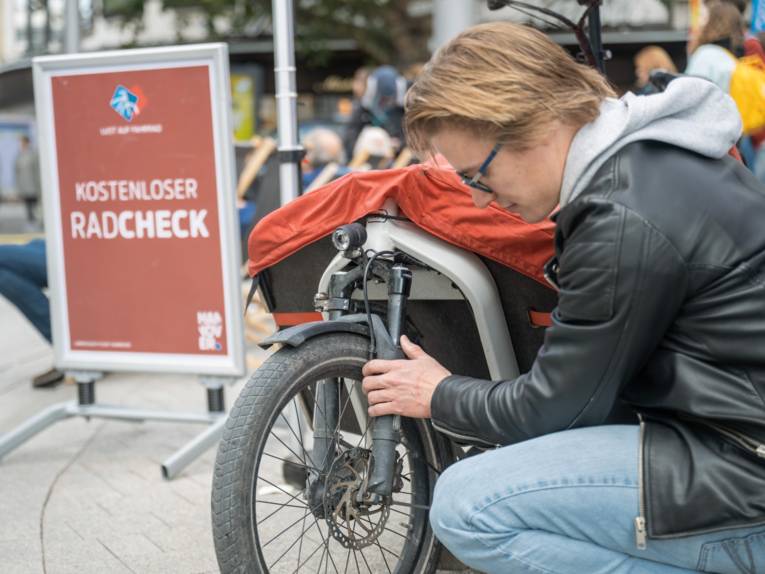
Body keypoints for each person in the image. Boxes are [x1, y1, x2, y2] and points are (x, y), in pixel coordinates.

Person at [361, 21, 765, 573]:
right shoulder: (656, 158)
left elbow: (558, 409)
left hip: (743, 479)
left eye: (479, 176)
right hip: (737, 447)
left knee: (467, 506)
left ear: (537, 121)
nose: (481, 202)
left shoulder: (619, 218)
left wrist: (439, 392)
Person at [0, 240, 64, 387]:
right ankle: (68, 348)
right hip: (56, 241)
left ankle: (69, 351)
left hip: (82, 250)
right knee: (6, 273)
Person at [14, 135, 41, 227]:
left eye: (23, 142)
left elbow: (37, 169)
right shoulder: (19, 155)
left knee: (35, 204)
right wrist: (18, 186)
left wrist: (39, 185)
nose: (21, 144)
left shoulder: (33, 154)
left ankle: (37, 221)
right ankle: (30, 221)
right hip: (24, 185)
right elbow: (16, 171)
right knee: (27, 204)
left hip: (33, 184)